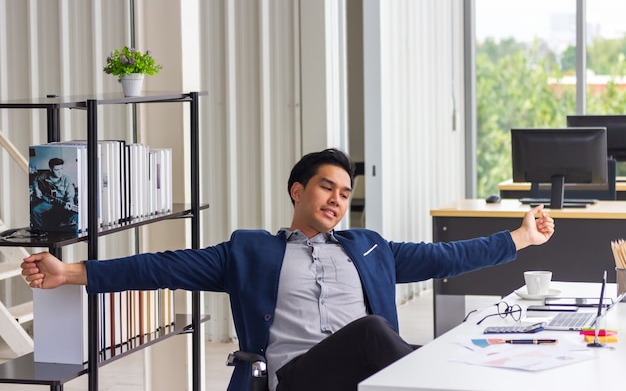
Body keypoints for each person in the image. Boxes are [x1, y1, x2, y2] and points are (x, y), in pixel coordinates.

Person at [22, 148, 555, 391]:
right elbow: (165, 267)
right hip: (300, 377)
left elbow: (447, 257)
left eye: (346, 194)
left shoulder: (369, 248)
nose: (337, 200)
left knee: (465, 330)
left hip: (371, 375)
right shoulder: (250, 252)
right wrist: (70, 273)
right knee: (374, 332)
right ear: (298, 190)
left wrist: (522, 237)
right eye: (327, 187)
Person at [30, 157, 78, 231]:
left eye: (61, 169)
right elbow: (35, 179)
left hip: (61, 202)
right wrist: (37, 189)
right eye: (57, 170)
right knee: (35, 210)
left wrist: (70, 203)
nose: (60, 172)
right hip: (48, 201)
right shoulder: (45, 175)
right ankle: (40, 230)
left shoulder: (66, 179)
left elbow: (70, 195)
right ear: (51, 169)